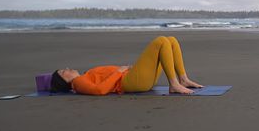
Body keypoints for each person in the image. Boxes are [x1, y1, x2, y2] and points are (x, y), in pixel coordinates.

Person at [49, 36, 203, 95]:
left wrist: (123, 69)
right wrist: (120, 71)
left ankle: (183, 79)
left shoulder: (85, 76)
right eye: (64, 71)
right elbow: (100, 90)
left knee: (171, 40)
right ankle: (174, 83)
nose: (68, 68)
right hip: (128, 82)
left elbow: (104, 78)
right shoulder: (78, 83)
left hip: (132, 78)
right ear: (65, 81)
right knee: (161, 41)